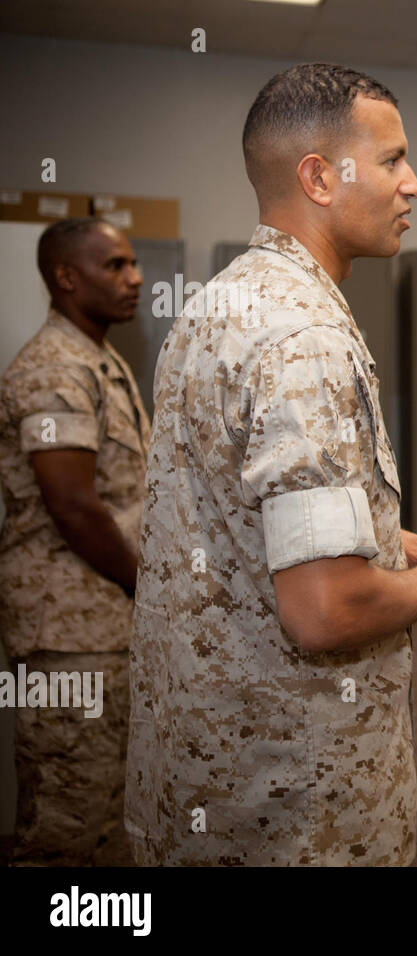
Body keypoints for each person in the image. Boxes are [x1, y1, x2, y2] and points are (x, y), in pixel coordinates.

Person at [125, 63, 417, 866]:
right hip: (292, 805)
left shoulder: (217, 304)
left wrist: (407, 546)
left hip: (199, 771)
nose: (415, 185)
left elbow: (247, 521)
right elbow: (326, 610)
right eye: (393, 160)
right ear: (320, 177)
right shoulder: (307, 340)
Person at [0, 217, 147, 865]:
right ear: (65, 277)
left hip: (101, 628)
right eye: (115, 265)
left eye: (133, 263)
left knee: (104, 813)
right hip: (69, 638)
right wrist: (150, 585)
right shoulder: (55, 368)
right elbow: (74, 506)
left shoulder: (99, 358)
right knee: (67, 823)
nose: (135, 278)